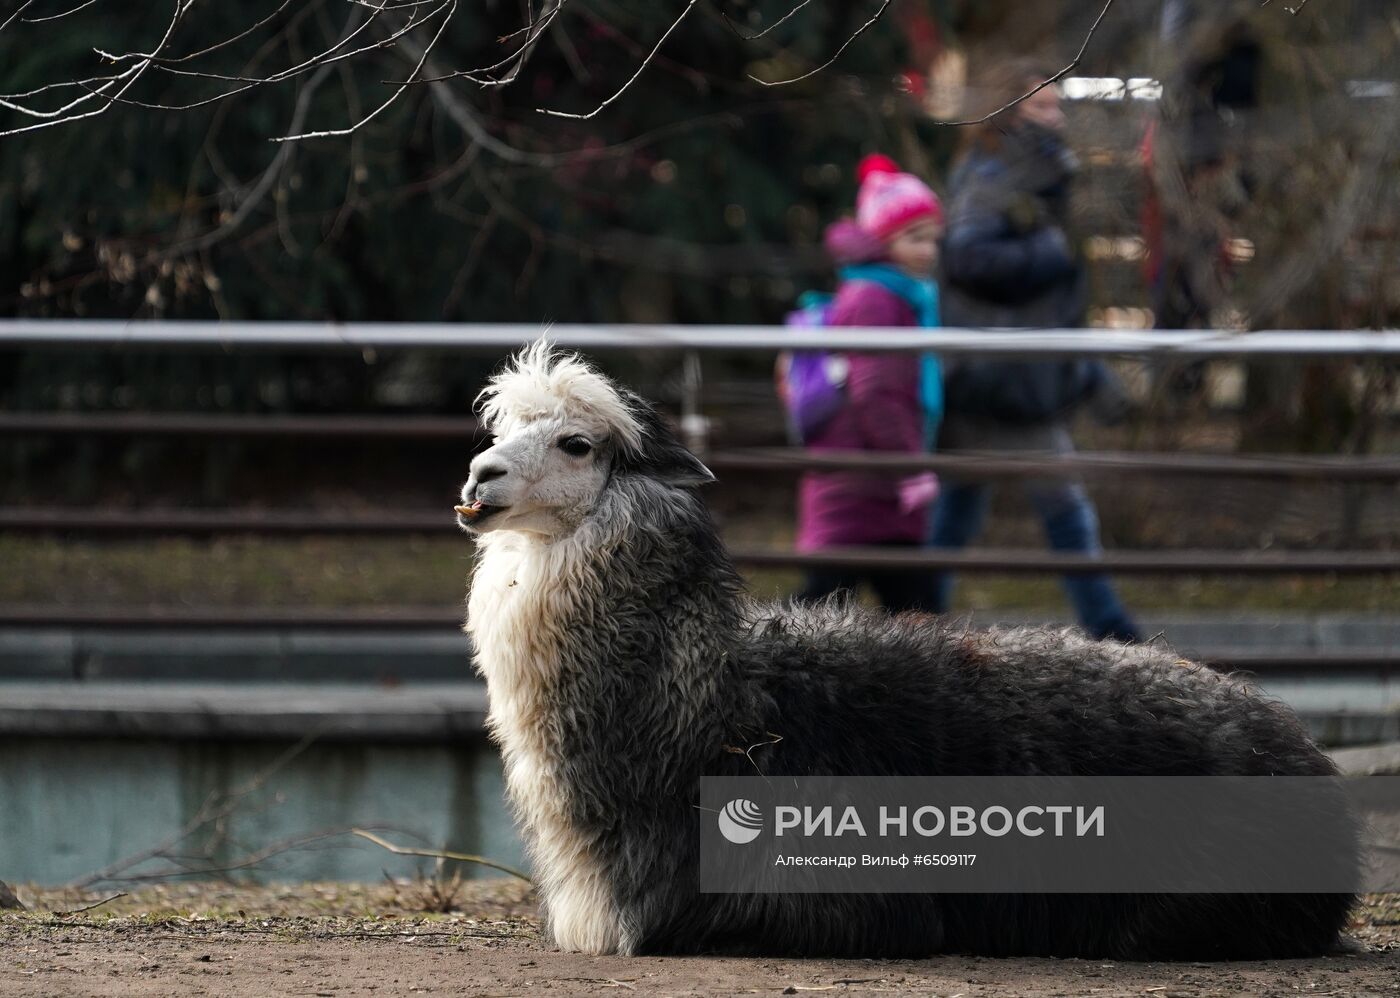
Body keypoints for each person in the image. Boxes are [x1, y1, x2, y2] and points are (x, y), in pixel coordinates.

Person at [931, 59, 1141, 643]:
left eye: (1057, 105)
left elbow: (1050, 299)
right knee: (1063, 510)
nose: (1056, 117)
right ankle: (1113, 632)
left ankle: (915, 622)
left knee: (961, 509)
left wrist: (1086, 369)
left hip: (1011, 372)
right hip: (1005, 376)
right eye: (1041, 106)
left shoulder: (1034, 171)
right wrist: (1047, 252)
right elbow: (969, 257)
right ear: (1008, 111)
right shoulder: (996, 174)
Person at [793, 155, 944, 613]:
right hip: (866, 479)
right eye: (914, 238)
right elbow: (876, 392)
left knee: (840, 603)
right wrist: (909, 467)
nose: (929, 250)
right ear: (882, 241)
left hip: (864, 480)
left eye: (933, 238)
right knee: (834, 606)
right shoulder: (879, 299)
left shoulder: (888, 294)